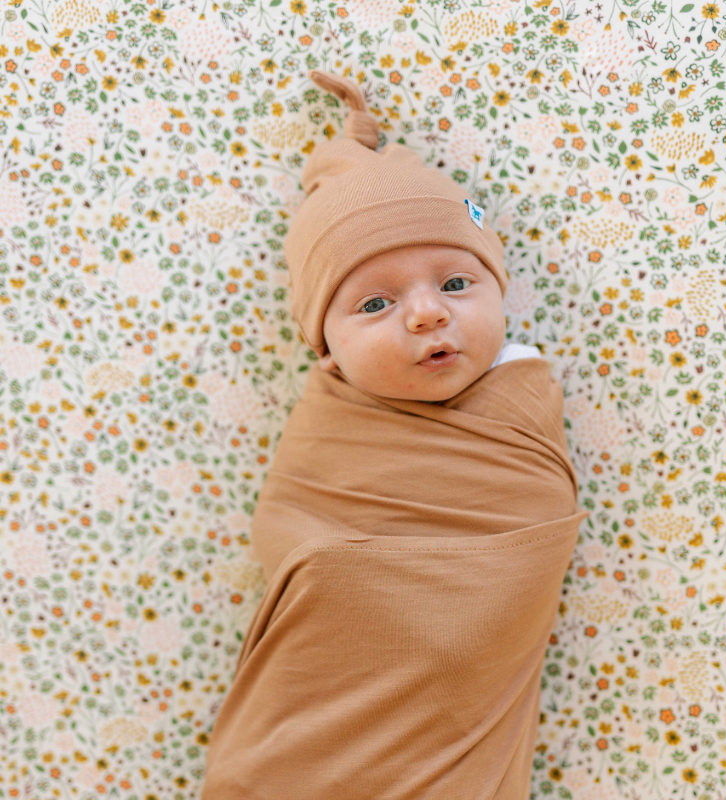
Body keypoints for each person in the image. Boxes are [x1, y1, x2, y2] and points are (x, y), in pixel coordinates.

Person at [200, 69, 589, 800]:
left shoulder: (521, 395)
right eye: (376, 302)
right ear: (327, 345)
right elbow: (300, 542)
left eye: (455, 285)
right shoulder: (329, 430)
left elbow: (524, 530)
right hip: (299, 750)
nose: (425, 315)